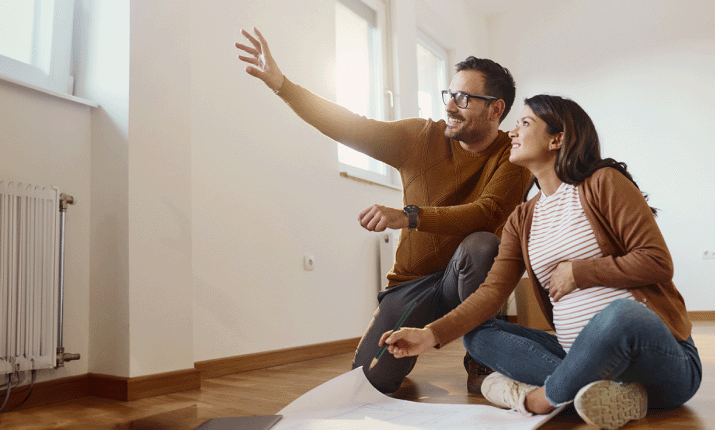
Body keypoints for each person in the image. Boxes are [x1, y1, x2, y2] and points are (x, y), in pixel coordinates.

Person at [236, 27, 531, 394]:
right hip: (412, 284)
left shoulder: (515, 153)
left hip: (465, 278)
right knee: (369, 382)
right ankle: (403, 355)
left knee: (482, 245)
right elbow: (351, 127)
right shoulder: (420, 137)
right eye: (449, 94)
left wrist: (409, 216)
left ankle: (483, 358)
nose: (450, 105)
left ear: (495, 108)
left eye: (463, 98)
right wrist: (282, 85)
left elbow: (486, 212)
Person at [380, 94, 702, 429]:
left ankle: (540, 398)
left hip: (660, 362)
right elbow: (490, 294)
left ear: (557, 138)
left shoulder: (603, 182)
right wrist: (429, 334)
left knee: (623, 314)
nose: (512, 133)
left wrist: (579, 272)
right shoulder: (523, 218)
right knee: (478, 336)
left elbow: (656, 261)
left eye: (524, 123)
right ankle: (600, 390)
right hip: (576, 355)